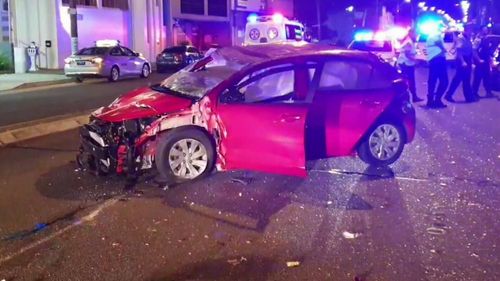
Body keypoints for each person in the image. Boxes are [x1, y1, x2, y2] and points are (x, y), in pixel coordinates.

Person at [445, 28, 476, 102]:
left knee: (467, 79)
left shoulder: (468, 38)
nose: (471, 32)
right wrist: (462, 61)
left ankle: (468, 97)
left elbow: (470, 50)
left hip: (467, 59)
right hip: (462, 59)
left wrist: (471, 61)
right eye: (470, 30)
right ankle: (448, 95)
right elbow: (459, 51)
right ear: (465, 30)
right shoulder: (460, 38)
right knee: (458, 79)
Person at [397, 29, 423, 102]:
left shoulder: (409, 41)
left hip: (406, 63)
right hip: (406, 64)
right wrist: (416, 60)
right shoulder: (409, 42)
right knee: (409, 81)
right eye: (416, 34)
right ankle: (408, 98)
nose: (417, 36)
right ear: (411, 33)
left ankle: (413, 97)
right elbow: (407, 54)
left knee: (410, 81)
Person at [426, 31, 449, 108]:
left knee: (433, 80)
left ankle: (432, 100)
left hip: (435, 59)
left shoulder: (432, 36)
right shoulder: (436, 35)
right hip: (438, 59)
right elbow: (438, 42)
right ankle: (436, 100)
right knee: (443, 81)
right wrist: (443, 49)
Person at [472, 26, 494, 98]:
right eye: (484, 30)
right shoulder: (478, 40)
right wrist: (479, 60)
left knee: (487, 77)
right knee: (477, 78)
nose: (485, 32)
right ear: (480, 31)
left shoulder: (487, 39)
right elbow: (474, 51)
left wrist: (490, 59)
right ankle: (474, 92)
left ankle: (488, 92)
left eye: (486, 30)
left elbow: (488, 51)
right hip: (480, 61)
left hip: (486, 60)